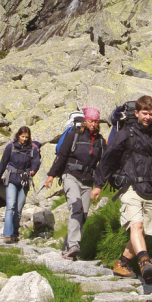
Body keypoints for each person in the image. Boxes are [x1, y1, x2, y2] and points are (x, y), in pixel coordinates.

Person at [91, 95, 152, 284]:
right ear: (136, 113)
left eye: (151, 114)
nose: (148, 117)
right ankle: (144, 262)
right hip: (129, 186)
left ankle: (122, 264)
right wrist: (98, 184)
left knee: (143, 230)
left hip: (150, 188)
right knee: (136, 225)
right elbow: (109, 158)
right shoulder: (126, 133)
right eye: (144, 113)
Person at [45, 107, 106, 259]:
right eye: (91, 121)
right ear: (85, 121)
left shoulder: (100, 141)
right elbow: (62, 155)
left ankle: (68, 248)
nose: (93, 124)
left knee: (82, 216)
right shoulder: (74, 135)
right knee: (76, 207)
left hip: (88, 181)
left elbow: (104, 165)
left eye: (96, 121)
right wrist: (51, 175)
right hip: (70, 176)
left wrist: (99, 184)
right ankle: (74, 245)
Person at [0, 126, 41, 243]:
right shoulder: (11, 147)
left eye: (26, 137)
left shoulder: (32, 149)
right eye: (22, 136)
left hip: (24, 181)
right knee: (10, 206)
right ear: (18, 135)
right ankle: (7, 235)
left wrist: (33, 170)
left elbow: (36, 162)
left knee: (19, 209)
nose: (24, 139)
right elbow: (3, 163)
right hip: (11, 179)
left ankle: (14, 233)